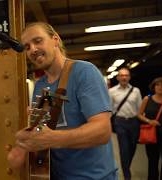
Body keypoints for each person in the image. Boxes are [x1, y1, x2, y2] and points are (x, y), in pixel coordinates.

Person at [7, 22, 117, 179]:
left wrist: (50, 139)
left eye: (38, 41)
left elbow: (102, 131)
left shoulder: (84, 72)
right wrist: (24, 145)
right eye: (27, 47)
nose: (33, 49)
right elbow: (41, 129)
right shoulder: (40, 85)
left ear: (55, 39)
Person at [109, 67, 142, 180]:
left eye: (126, 75)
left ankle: (127, 165)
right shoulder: (112, 91)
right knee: (124, 149)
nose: (124, 77)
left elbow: (140, 108)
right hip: (120, 122)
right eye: (121, 75)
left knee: (132, 147)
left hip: (134, 122)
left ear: (129, 77)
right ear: (118, 77)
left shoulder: (136, 91)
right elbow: (110, 109)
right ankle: (127, 175)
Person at [137, 77, 162, 180]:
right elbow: (139, 115)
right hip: (152, 135)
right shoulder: (147, 99)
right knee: (152, 161)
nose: (160, 87)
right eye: (157, 85)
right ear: (153, 87)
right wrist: (149, 121)